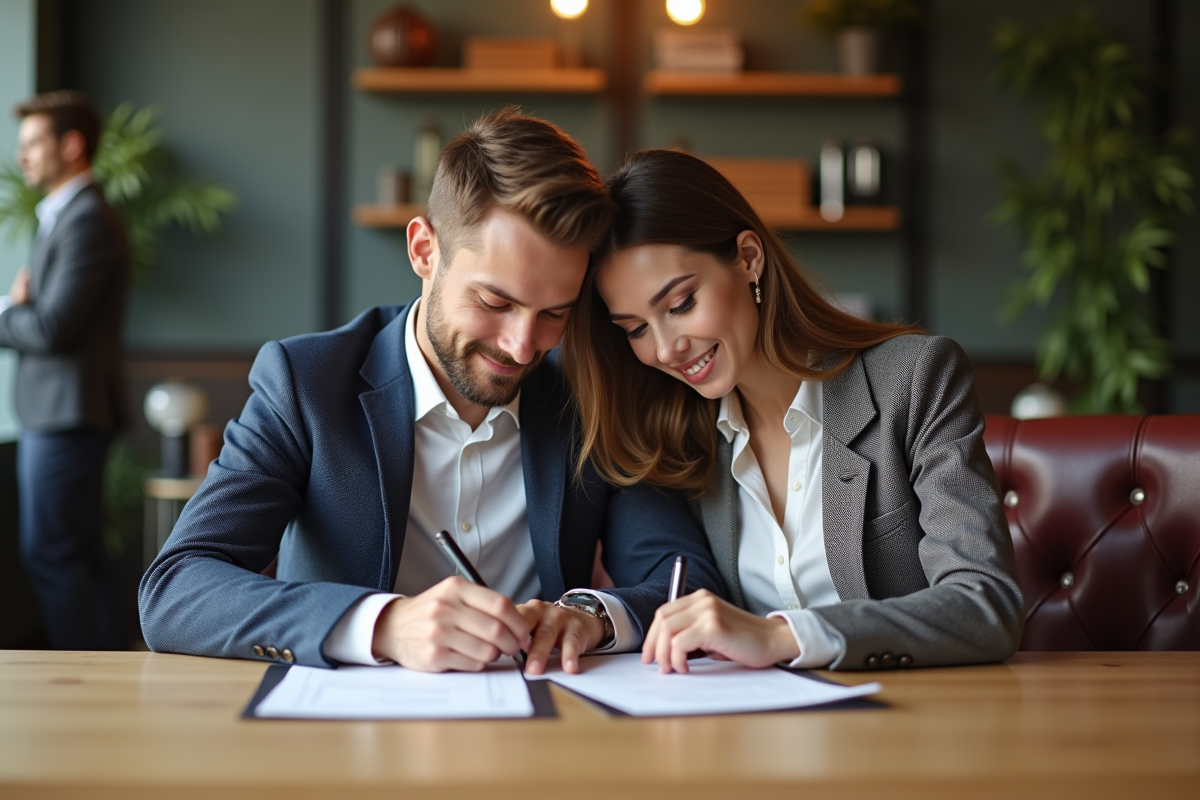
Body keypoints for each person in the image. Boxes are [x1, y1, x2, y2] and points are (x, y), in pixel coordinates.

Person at [139, 110, 724, 674]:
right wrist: (384, 625)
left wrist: (589, 616)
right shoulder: (306, 384)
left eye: (555, 313)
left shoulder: (590, 393)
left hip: (546, 719)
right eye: (495, 302)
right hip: (343, 727)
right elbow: (176, 588)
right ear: (424, 250)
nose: (523, 346)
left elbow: (685, 579)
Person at [563, 149, 1024, 673]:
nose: (666, 349)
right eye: (636, 330)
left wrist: (783, 635)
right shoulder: (675, 437)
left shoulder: (915, 379)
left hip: (915, 714)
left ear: (748, 258)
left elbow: (985, 603)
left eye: (681, 304)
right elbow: (672, 587)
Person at [0, 91, 130, 650]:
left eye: (34, 142)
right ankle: (112, 668)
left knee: (51, 553)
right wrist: (20, 310)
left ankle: (78, 676)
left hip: (67, 413)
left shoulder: (85, 220)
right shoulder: (66, 216)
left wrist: (8, 312)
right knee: (79, 552)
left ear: (72, 145)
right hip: (62, 410)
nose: (22, 155)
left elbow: (53, 327)